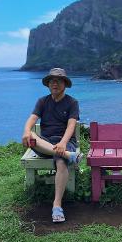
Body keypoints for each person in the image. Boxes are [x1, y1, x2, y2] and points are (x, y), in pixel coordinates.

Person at [22, 68, 81, 223]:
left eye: (59, 81)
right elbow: (32, 119)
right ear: (48, 84)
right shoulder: (42, 101)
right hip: (45, 143)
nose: (55, 83)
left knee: (61, 162)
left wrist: (62, 143)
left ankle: (57, 205)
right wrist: (26, 132)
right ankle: (69, 156)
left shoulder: (72, 102)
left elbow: (71, 126)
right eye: (52, 81)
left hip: (65, 142)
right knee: (32, 136)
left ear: (64, 84)